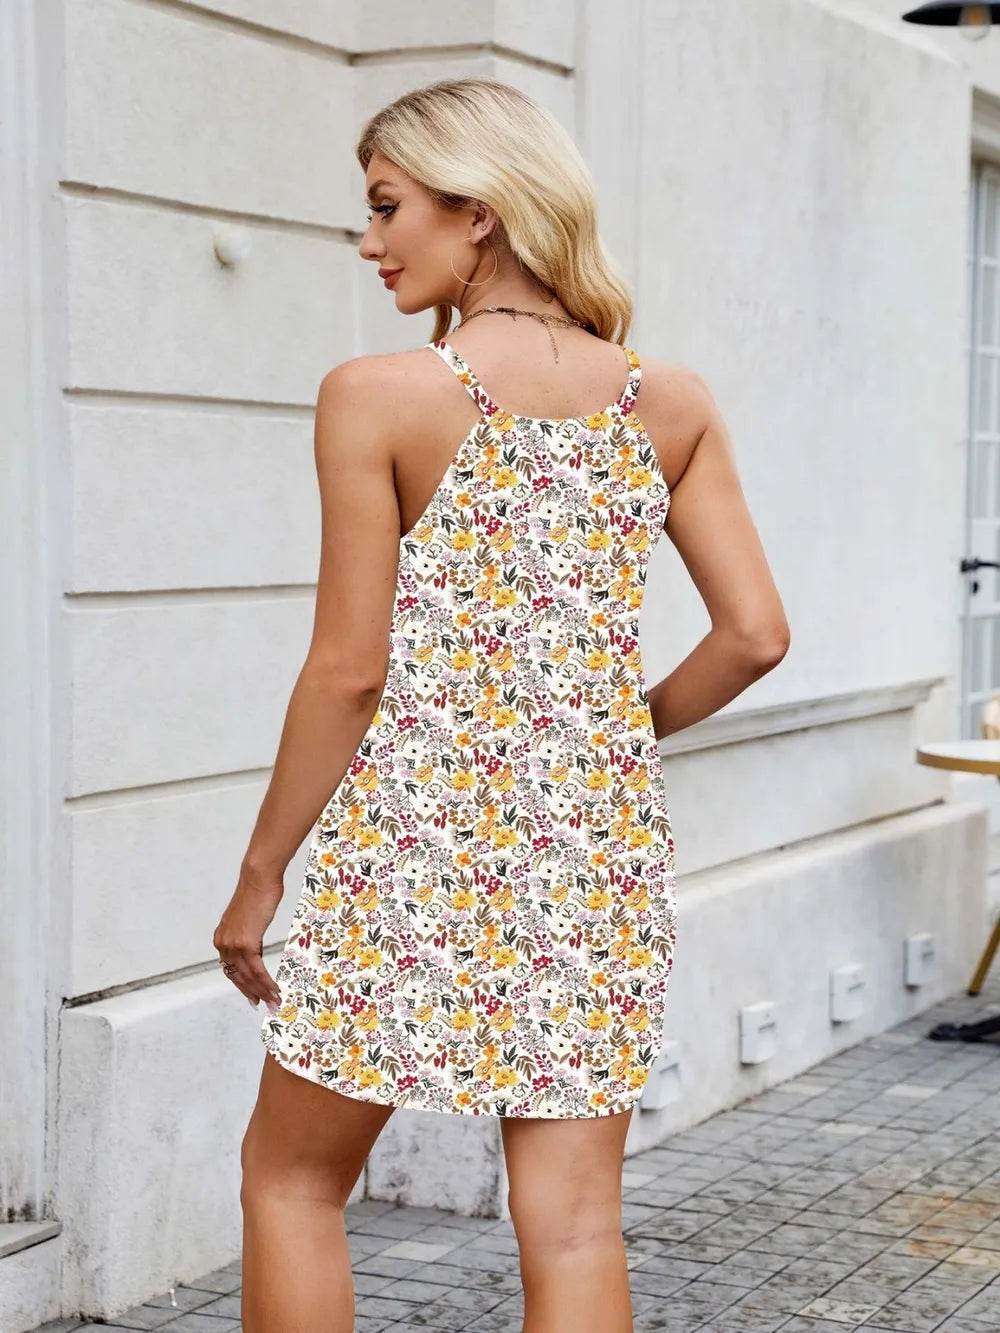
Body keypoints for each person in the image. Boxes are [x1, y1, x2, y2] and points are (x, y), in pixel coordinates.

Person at [214, 76, 790, 1333]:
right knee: (574, 1224)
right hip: (594, 853)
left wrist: (260, 876)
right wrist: (606, 733)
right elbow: (755, 637)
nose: (368, 240)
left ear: (477, 211)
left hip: (415, 847)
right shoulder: (668, 402)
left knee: (292, 1181)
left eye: (386, 206)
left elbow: (348, 671)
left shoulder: (376, 394)